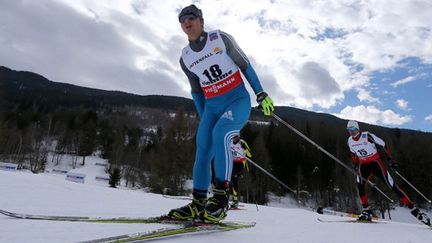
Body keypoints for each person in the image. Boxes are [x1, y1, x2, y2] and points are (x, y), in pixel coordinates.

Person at [167, 4, 274, 224]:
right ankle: (198, 203)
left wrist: (261, 93)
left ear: (201, 21)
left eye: (191, 17)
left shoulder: (220, 38)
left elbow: (244, 65)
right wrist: (204, 116)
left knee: (221, 134)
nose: (187, 22)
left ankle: (221, 198)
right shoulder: (185, 58)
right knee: (204, 144)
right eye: (182, 20)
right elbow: (196, 91)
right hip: (212, 107)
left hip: (237, 100)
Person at [346, 120, 430, 225]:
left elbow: (384, 144)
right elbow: (353, 153)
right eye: (349, 130)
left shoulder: (367, 136)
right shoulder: (350, 141)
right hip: (363, 165)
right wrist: (355, 163)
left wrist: (390, 159)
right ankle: (366, 211)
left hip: (375, 163)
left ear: (358, 128)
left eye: (353, 129)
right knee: (360, 185)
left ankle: (415, 210)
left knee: (392, 186)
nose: (351, 132)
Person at [230, 135, 252, 209]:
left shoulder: (242, 142)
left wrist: (245, 148)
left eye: (236, 137)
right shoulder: (229, 142)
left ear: (238, 136)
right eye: (233, 137)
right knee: (230, 179)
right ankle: (229, 198)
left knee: (234, 177)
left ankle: (235, 201)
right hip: (232, 163)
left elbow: (250, 155)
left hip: (240, 163)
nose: (234, 138)